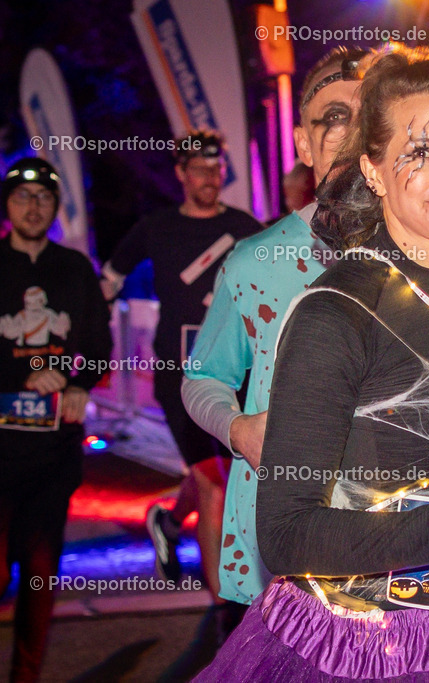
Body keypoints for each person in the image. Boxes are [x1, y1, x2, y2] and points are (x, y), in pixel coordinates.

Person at [196, 46, 429, 681]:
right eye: (421, 153)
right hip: (360, 647)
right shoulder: (336, 312)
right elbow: (287, 536)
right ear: (372, 169)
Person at [181, 46, 369, 605]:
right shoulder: (253, 262)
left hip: (399, 538)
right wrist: (239, 430)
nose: (352, 132)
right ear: (302, 143)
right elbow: (203, 378)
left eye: (368, 116)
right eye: (333, 118)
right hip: (285, 540)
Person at [100, 132, 262, 614]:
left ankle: (168, 522)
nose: (208, 178)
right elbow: (108, 278)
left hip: (237, 374)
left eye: (215, 169)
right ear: (180, 174)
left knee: (226, 473)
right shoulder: (156, 227)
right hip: (182, 374)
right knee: (215, 482)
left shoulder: (245, 226)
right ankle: (225, 617)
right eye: (198, 169)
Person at [0, 158, 112, 682]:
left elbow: (98, 344)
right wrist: (20, 379)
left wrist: (79, 383)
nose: (33, 206)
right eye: (23, 198)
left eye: (43, 198)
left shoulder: (74, 269)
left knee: (40, 576)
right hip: (0, 452)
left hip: (53, 453)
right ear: (7, 205)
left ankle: (26, 675)